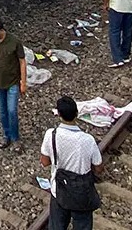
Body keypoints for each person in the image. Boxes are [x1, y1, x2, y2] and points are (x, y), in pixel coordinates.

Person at [40, 96, 104, 230]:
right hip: (82, 193)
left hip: (59, 190)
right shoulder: (88, 140)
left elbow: (45, 162)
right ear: (76, 114)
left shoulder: (51, 135)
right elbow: (98, 168)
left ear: (59, 115)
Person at [0, 18, 26, 150]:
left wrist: (23, 82)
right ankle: (6, 136)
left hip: (12, 82)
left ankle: (15, 139)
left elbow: (22, 62)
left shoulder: (14, 42)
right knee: (3, 112)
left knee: (12, 111)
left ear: (0, 30)